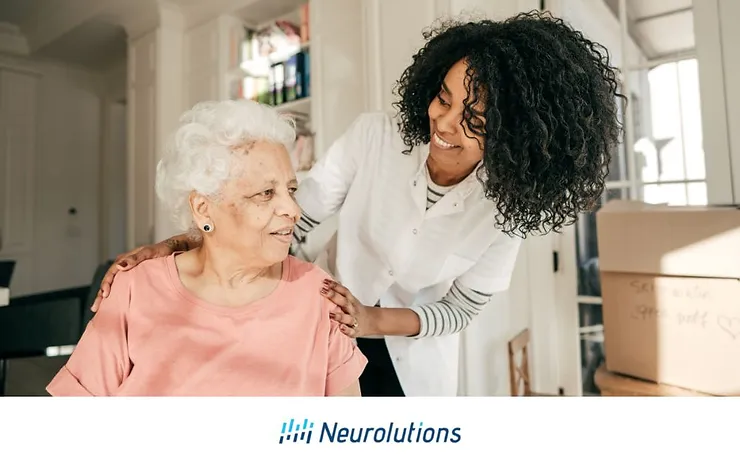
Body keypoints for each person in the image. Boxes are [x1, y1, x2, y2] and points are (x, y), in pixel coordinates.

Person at [91, 11, 623, 397]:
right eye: (444, 97)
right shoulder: (375, 138)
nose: (443, 123)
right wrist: (188, 244)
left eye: (474, 121)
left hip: (411, 355)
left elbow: (461, 309)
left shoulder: (506, 209)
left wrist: (372, 319)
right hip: (320, 319)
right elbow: (294, 221)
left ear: (516, 137)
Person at [48, 99, 367, 396]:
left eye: (292, 190)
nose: (294, 211)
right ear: (203, 209)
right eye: (266, 193)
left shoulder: (319, 294)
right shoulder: (135, 290)